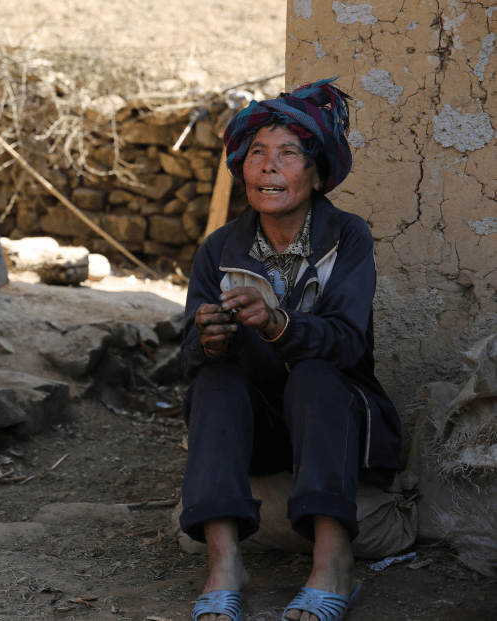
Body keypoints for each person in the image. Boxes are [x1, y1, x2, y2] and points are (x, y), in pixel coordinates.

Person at [179, 79, 401, 621]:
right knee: (214, 378)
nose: (268, 168)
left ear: (318, 172)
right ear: (243, 169)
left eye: (287, 155)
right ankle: (225, 564)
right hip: (259, 436)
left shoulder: (347, 237)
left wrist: (280, 324)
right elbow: (184, 356)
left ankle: (332, 563)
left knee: (316, 373)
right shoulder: (220, 249)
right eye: (256, 154)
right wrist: (208, 339)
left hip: (332, 420)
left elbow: (348, 342)